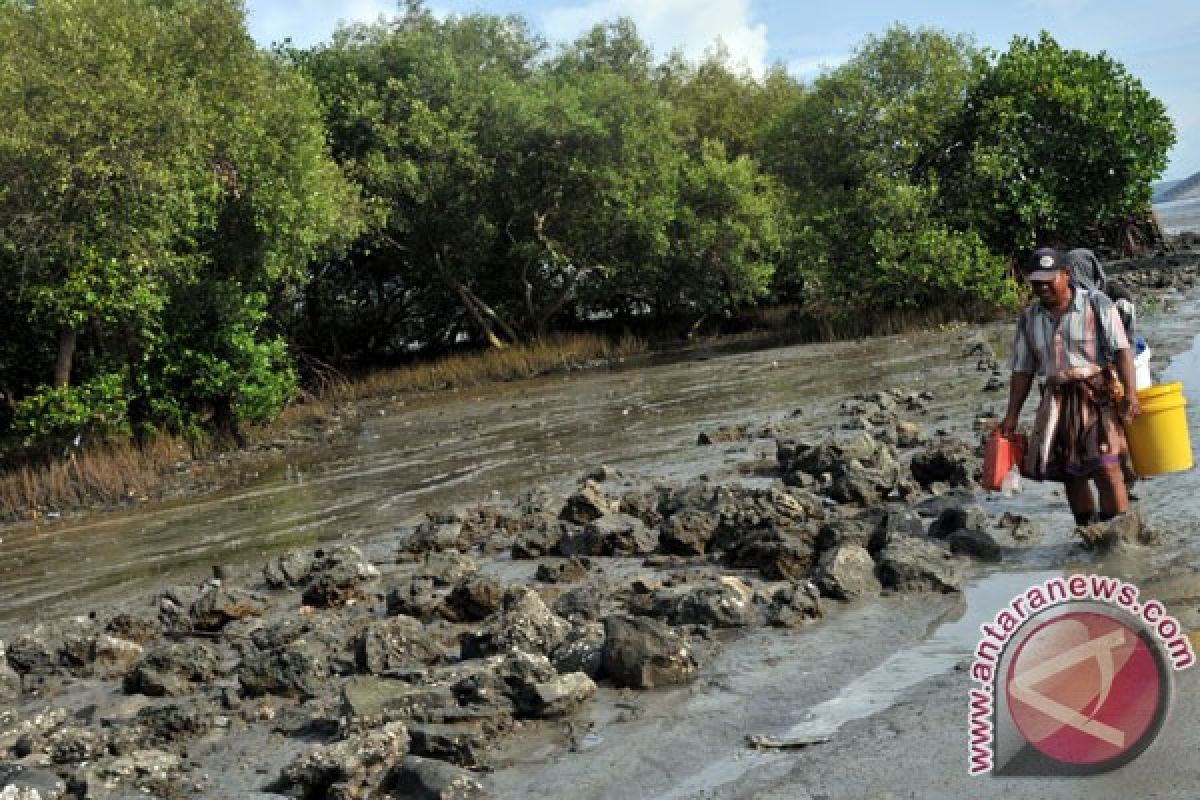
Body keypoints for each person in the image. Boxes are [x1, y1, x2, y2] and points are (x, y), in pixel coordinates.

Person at [998, 247, 1141, 526]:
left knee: (1107, 466)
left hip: (1097, 395)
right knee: (1070, 474)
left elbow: (1123, 351)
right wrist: (1011, 416)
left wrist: (1131, 395)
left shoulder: (1098, 304)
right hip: (1056, 401)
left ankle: (1120, 534)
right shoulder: (1029, 318)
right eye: (1036, 282)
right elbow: (1023, 370)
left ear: (1066, 275)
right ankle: (1089, 532)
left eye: (1048, 280)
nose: (1042, 287)